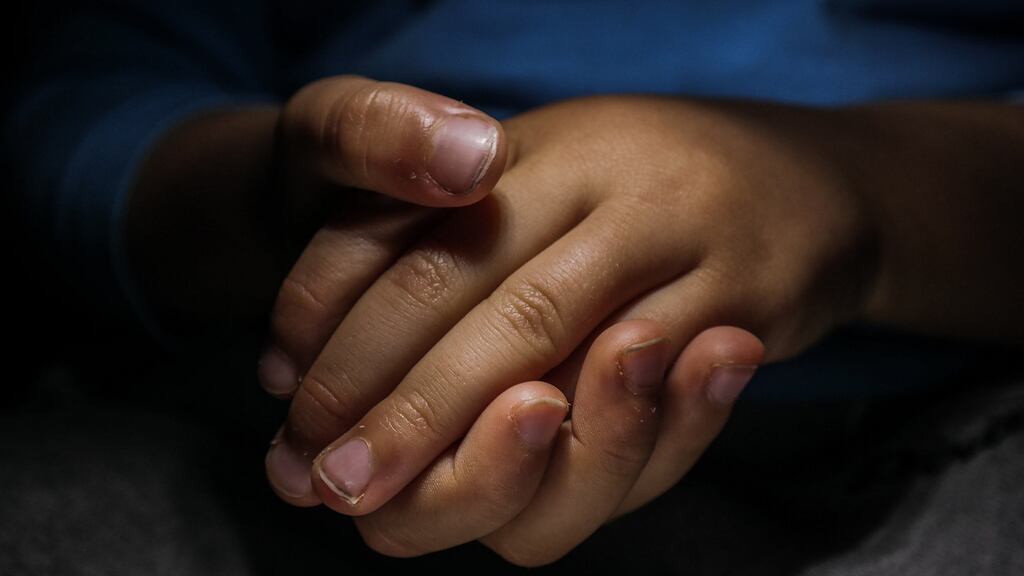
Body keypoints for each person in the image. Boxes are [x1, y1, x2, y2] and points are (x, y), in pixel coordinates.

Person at [5, 0, 1023, 569]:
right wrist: (269, 199)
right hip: (247, 393)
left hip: (934, 417)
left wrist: (859, 197)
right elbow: (80, 99)